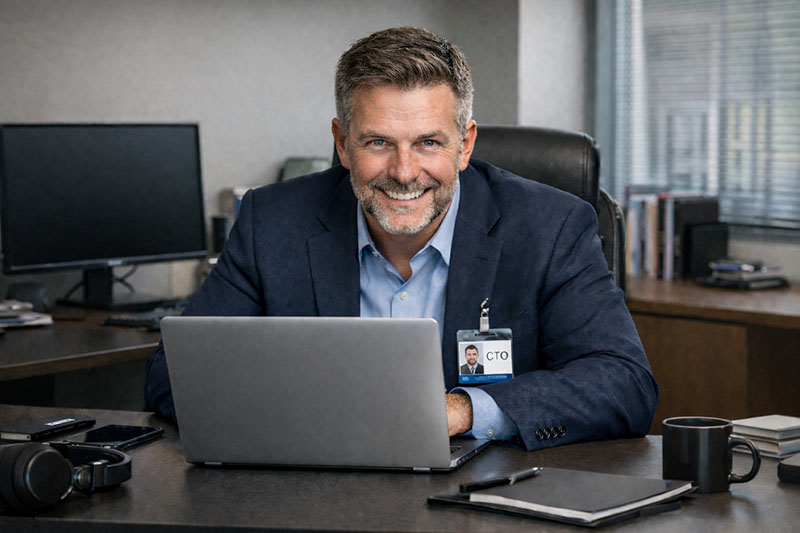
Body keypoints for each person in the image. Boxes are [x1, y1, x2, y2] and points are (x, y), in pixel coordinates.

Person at [145, 26, 658, 451]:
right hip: (311, 491)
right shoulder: (272, 222)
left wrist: (460, 410)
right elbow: (175, 375)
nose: (405, 172)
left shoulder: (550, 226)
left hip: (486, 499)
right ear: (343, 144)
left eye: (429, 142)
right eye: (378, 143)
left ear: (465, 144)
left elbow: (623, 384)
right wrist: (313, 414)